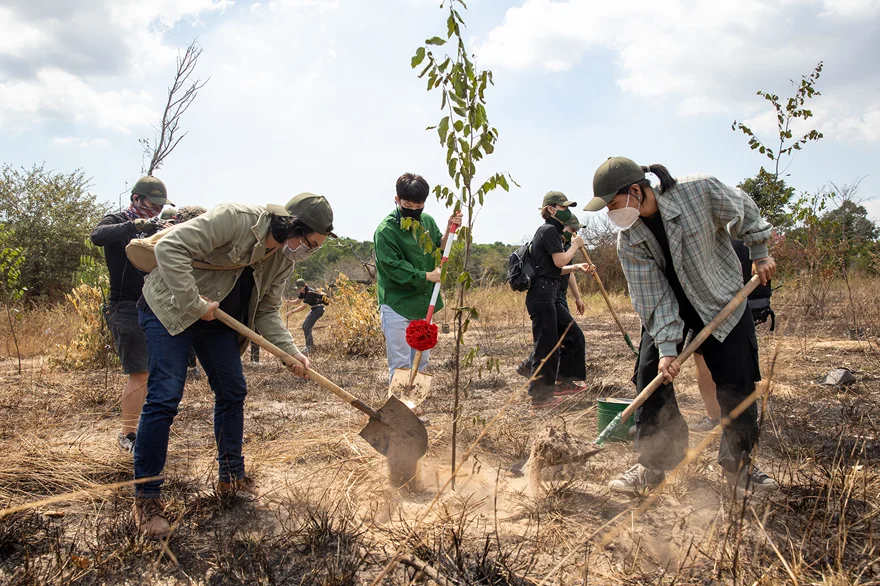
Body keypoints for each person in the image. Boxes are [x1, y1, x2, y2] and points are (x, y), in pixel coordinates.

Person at [131, 193, 335, 538]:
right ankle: (147, 499)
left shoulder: (283, 260)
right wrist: (194, 303)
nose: (308, 252)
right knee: (165, 395)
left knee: (232, 390)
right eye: (309, 244)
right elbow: (170, 250)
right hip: (169, 304)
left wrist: (290, 352)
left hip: (214, 321)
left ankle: (231, 477)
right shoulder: (235, 218)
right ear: (294, 227)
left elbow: (268, 311)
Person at [582, 156, 778, 494]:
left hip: (721, 300)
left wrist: (759, 251)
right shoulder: (629, 239)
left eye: (613, 204)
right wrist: (667, 349)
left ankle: (740, 467)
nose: (612, 214)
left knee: (738, 382)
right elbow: (652, 297)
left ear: (635, 190)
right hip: (669, 311)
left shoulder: (697, 191)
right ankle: (653, 464)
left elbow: (742, 208)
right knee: (651, 378)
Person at [90, 176, 172, 455]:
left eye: (162, 206)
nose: (157, 211)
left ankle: (147, 429)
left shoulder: (157, 226)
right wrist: (134, 226)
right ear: (136, 199)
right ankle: (128, 435)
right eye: (153, 204)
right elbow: (97, 237)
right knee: (140, 372)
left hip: (154, 304)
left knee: (155, 373)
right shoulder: (117, 220)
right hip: (125, 305)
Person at [374, 173, 461, 383]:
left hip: (423, 305)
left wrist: (450, 229)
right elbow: (393, 267)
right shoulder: (386, 231)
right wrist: (426, 276)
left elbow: (439, 246)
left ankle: (412, 409)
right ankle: (397, 412)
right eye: (407, 205)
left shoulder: (427, 221)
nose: (413, 210)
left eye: (418, 205)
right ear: (397, 199)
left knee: (421, 362)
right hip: (397, 305)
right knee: (401, 364)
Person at [525, 192, 595, 409]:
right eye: (563, 208)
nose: (567, 211)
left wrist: (576, 266)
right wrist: (575, 246)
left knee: (551, 344)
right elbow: (559, 261)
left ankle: (550, 391)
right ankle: (540, 397)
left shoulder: (551, 232)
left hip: (547, 292)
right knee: (546, 346)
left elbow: (557, 267)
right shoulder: (547, 231)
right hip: (542, 294)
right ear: (551, 210)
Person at [516, 215, 589, 383]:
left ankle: (562, 380)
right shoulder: (551, 241)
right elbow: (557, 265)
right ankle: (540, 377)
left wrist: (578, 296)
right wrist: (576, 248)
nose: (575, 233)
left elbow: (566, 272)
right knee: (551, 339)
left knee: (562, 336)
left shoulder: (565, 245)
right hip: (546, 294)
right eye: (572, 230)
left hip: (558, 294)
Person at [285, 278, 328, 354]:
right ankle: (310, 346)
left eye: (300, 288)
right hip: (314, 308)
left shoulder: (309, 293)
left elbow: (303, 306)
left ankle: (309, 347)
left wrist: (292, 312)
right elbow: (298, 301)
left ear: (304, 286)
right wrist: (290, 302)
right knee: (305, 326)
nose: (299, 290)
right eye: (297, 288)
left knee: (307, 326)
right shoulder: (302, 291)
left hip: (319, 309)